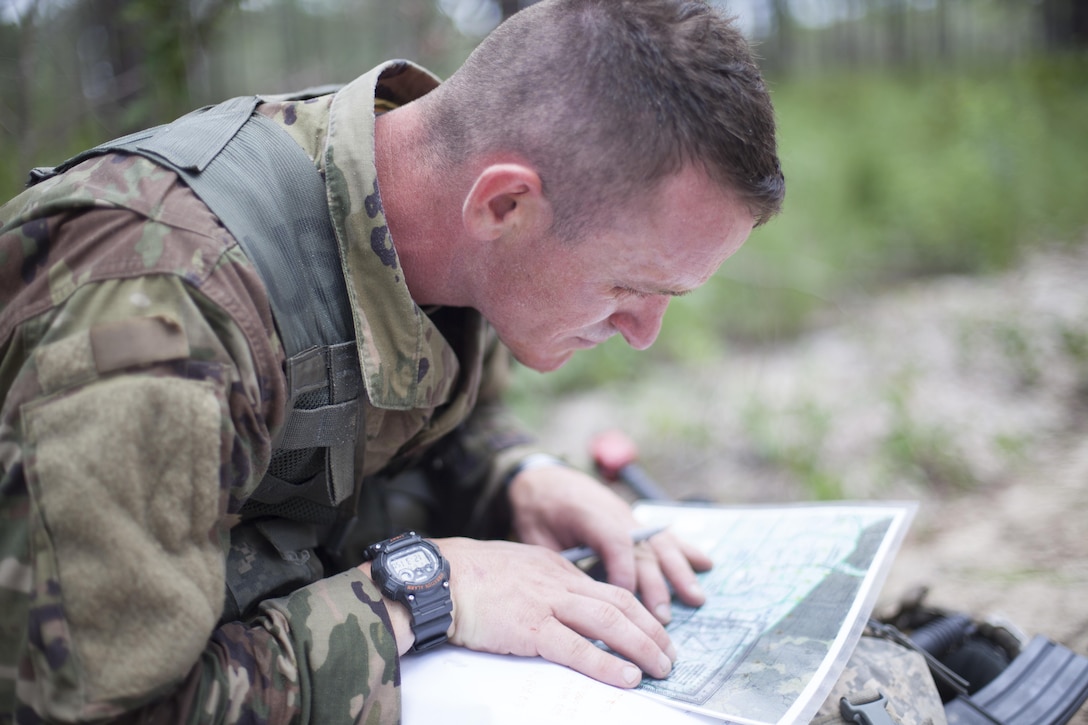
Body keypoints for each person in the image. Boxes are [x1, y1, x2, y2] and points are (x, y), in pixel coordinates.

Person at [0, 0, 784, 722]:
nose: (646, 331)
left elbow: (421, 417)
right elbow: (96, 709)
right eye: (632, 286)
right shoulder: (167, 308)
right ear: (504, 205)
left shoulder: (436, 223)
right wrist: (426, 594)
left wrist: (518, 475)